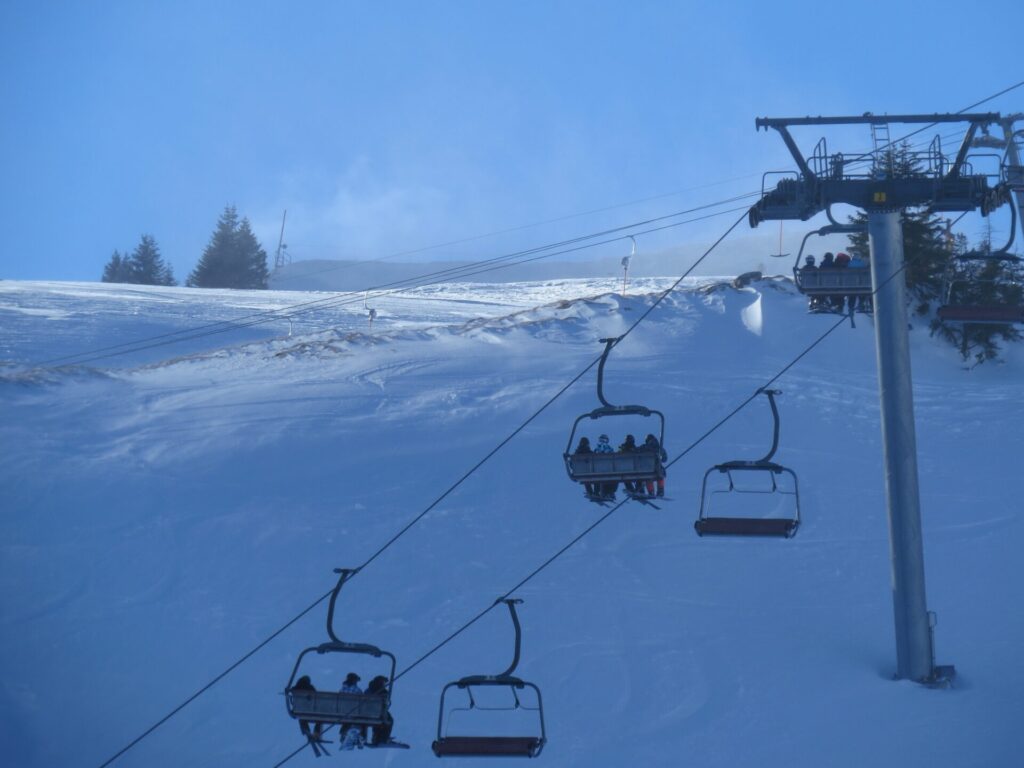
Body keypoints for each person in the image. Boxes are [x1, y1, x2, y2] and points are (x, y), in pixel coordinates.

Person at [291, 675, 326, 754]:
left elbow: (292, 691)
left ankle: (307, 732)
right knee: (319, 720)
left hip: (300, 710)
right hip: (311, 710)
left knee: (302, 719)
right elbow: (316, 696)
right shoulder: (310, 687)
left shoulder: (296, 688)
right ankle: (316, 734)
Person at [366, 675, 395, 746]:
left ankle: (376, 738)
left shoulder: (368, 690)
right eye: (384, 683)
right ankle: (384, 738)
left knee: (378, 722)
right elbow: (385, 701)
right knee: (389, 720)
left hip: (366, 712)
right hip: (378, 711)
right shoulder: (382, 691)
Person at [594, 434, 616, 499]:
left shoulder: (604, 448)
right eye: (602, 440)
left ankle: (608, 493)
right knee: (605, 479)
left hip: (604, 468)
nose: (603, 441)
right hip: (604, 468)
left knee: (606, 479)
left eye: (604, 440)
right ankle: (607, 493)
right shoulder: (599, 448)